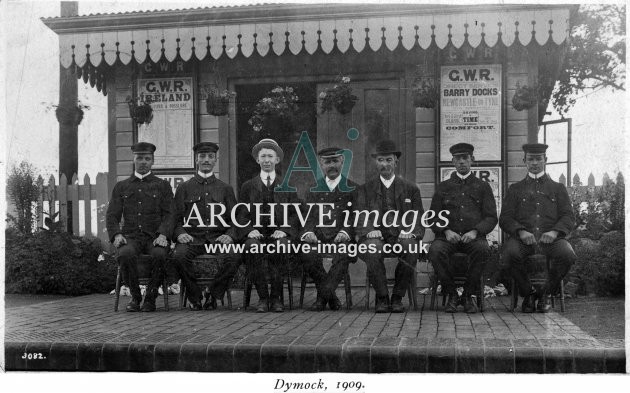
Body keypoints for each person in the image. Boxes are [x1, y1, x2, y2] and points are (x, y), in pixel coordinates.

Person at [500, 143, 576, 313]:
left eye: (538, 159)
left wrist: (555, 232)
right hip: (523, 241)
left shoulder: (557, 188)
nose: (534, 163)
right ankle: (528, 294)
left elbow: (569, 216)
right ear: (524, 161)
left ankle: (545, 294)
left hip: (551, 240)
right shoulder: (515, 189)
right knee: (509, 255)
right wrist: (521, 231)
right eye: (530, 159)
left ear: (545, 160)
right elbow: (505, 218)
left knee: (567, 254)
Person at [427, 143, 498, 313]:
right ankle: (451, 294)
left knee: (482, 250)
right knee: (435, 251)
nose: (462, 162)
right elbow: (433, 216)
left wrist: (475, 231)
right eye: (457, 158)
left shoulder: (482, 186)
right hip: (447, 237)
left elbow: (491, 217)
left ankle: (468, 295)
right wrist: (445, 230)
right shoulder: (443, 187)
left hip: (473, 237)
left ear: (472, 160)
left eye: (465, 158)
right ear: (452, 161)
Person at [356, 139, 425, 313]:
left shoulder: (411, 189)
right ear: (375, 162)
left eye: (388, 160)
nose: (384, 164)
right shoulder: (365, 189)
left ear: (396, 161)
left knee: (411, 248)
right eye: (380, 160)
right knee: (372, 248)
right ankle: (382, 297)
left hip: (401, 236)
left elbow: (418, 217)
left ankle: (397, 297)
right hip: (375, 238)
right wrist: (370, 230)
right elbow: (360, 215)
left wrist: (410, 232)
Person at [106, 142, 174, 312]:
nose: (143, 162)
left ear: (153, 161)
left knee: (160, 254)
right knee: (124, 254)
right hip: (131, 237)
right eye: (139, 158)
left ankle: (150, 298)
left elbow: (170, 214)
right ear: (133, 159)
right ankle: (135, 297)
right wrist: (116, 235)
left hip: (154, 237)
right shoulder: (122, 186)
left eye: (147, 158)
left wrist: (164, 234)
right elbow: (112, 215)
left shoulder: (162, 186)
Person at [172, 142, 240, 311]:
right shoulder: (184, 188)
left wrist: (230, 235)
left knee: (235, 255)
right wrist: (180, 233)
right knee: (179, 256)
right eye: (202, 156)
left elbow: (237, 218)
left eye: (210, 156)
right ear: (196, 159)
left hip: (217, 238)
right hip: (192, 239)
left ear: (216, 160)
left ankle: (213, 294)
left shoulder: (225, 189)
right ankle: (194, 296)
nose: (206, 160)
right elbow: (174, 217)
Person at [239, 138, 300, 313]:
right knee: (252, 248)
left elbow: (295, 214)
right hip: (257, 236)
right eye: (263, 156)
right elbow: (241, 214)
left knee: (281, 247)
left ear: (277, 160)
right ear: (257, 160)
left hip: (278, 236)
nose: (267, 160)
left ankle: (276, 298)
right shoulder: (248, 186)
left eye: (270, 156)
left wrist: (284, 230)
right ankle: (263, 298)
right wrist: (250, 230)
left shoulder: (287, 186)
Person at [300, 147, 358, 311]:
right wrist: (309, 232)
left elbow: (356, 216)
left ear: (342, 162)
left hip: (342, 238)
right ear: (321, 164)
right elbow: (308, 217)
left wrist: (346, 231)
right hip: (318, 237)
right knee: (306, 253)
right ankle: (330, 297)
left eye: (335, 161)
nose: (332, 165)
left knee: (345, 253)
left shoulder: (353, 188)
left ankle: (322, 297)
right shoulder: (313, 189)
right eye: (327, 162)